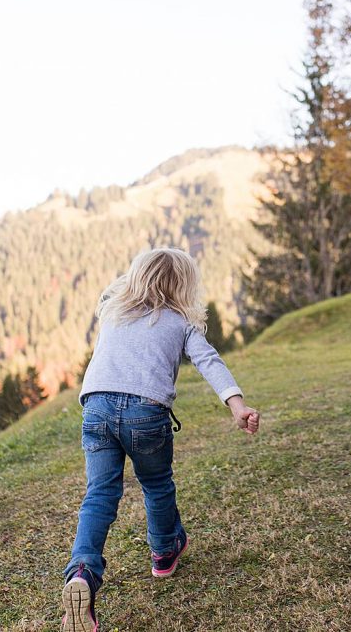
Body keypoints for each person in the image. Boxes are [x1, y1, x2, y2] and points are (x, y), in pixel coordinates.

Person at [61, 248, 260, 632]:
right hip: (145, 412)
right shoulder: (181, 321)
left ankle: (82, 573)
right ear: (185, 286)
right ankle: (164, 553)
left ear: (135, 278)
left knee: (99, 495)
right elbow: (209, 361)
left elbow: (117, 307)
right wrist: (237, 406)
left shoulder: (113, 313)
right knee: (155, 484)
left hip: (96, 407)